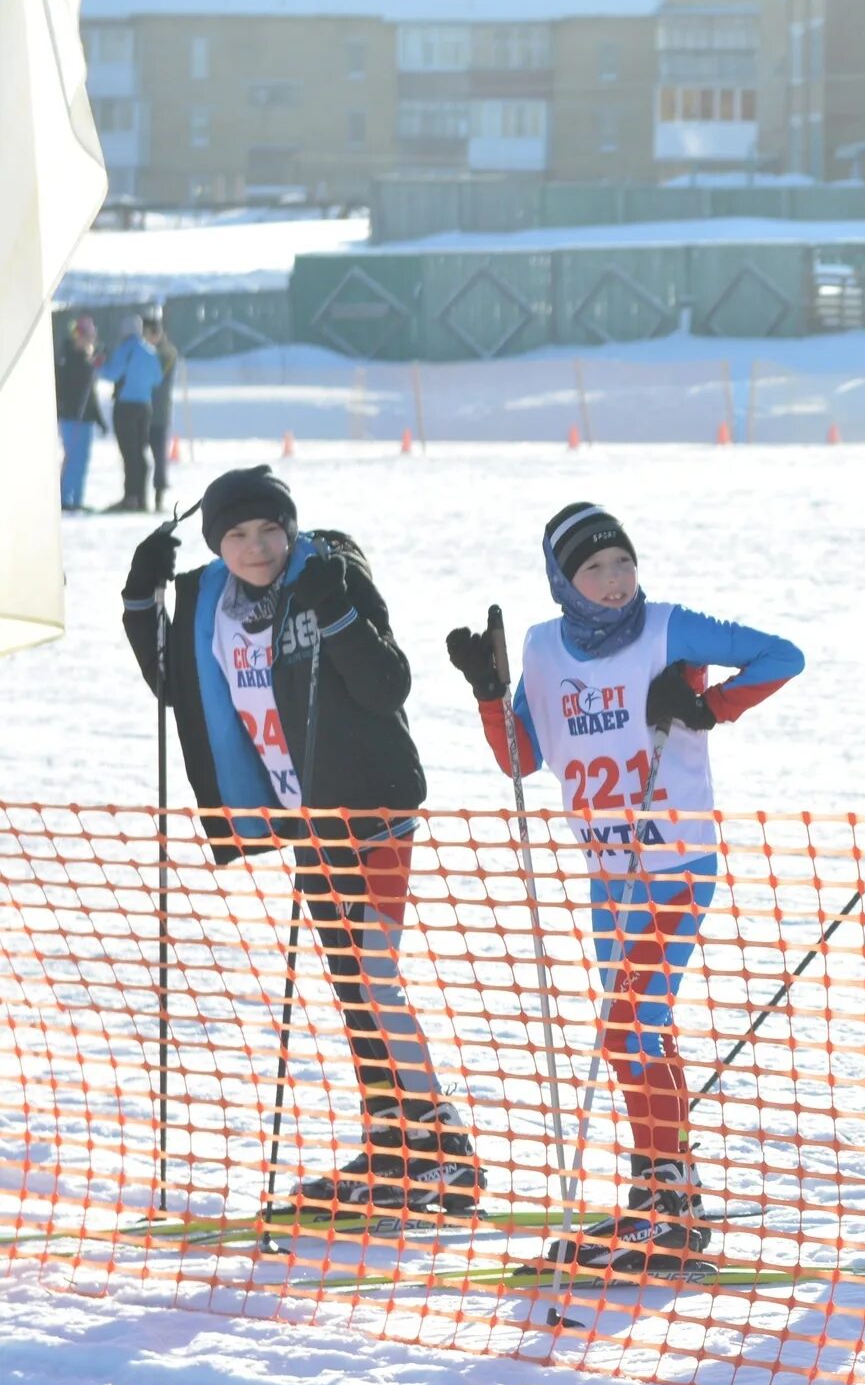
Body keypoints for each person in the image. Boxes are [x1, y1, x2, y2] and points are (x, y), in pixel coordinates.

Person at [447, 502, 802, 1273]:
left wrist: (705, 705)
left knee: (624, 1030)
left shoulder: (667, 628)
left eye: (623, 563)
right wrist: (487, 691)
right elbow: (520, 757)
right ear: (562, 581)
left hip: (673, 862)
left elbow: (783, 656)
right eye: (593, 569)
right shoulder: (543, 650)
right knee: (640, 1032)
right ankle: (662, 1193)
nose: (614, 582)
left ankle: (668, 1200)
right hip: (608, 873)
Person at [119, 465, 477, 1218]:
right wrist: (138, 600)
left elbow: (387, 684)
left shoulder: (332, 571)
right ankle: (391, 1144)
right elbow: (180, 686)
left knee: (373, 971)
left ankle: (442, 1145)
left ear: (291, 526)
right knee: (352, 982)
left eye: (269, 529)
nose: (257, 546)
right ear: (218, 542)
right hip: (304, 816)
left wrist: (337, 614)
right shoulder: (213, 606)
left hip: (369, 806)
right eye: (238, 534)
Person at [95, 313, 165, 514]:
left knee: (128, 453)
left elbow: (112, 374)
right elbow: (157, 379)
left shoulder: (125, 350)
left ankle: (130, 497)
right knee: (140, 452)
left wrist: (99, 365)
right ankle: (142, 498)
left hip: (125, 405)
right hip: (145, 406)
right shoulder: (150, 351)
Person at [55, 316, 106, 512]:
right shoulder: (68, 359)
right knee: (73, 459)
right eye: (85, 336)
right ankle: (65, 498)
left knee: (82, 460)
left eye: (91, 337)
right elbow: (64, 388)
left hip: (85, 419)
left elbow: (91, 394)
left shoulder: (86, 361)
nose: (89, 341)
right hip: (71, 418)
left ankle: (77, 498)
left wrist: (99, 420)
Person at [146, 312, 181, 513]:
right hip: (142, 410)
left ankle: (158, 496)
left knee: (159, 458)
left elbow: (159, 374)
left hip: (158, 413)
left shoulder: (167, 352)